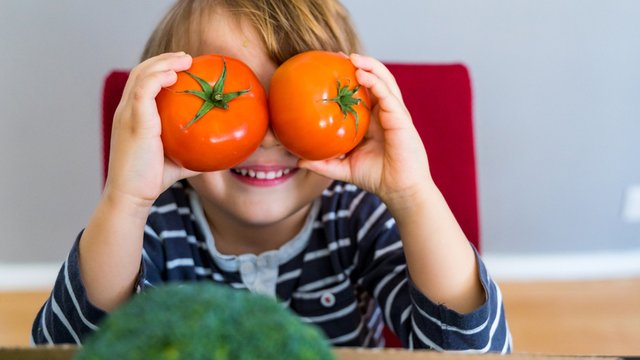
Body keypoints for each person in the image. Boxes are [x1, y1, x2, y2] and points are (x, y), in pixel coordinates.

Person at [32, 0, 511, 352]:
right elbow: (67, 349)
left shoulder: (359, 218)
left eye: (292, 102)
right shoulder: (153, 225)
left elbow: (474, 351)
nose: (265, 138)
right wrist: (125, 201)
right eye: (230, 93)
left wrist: (413, 195)